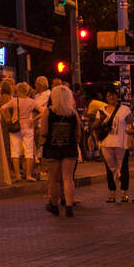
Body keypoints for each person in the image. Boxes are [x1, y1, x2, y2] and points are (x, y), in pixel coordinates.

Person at [39, 85, 82, 216]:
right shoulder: (73, 113)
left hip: (53, 148)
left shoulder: (49, 112)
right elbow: (78, 134)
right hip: (69, 148)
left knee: (54, 179)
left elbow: (44, 132)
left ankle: (54, 204)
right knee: (68, 178)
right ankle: (69, 206)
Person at [94, 88, 131, 203]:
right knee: (110, 168)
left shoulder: (125, 109)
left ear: (117, 96)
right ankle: (112, 193)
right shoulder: (101, 111)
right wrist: (96, 140)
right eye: (109, 95)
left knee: (123, 167)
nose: (112, 97)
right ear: (106, 97)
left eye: (114, 95)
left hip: (121, 142)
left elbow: (130, 124)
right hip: (106, 143)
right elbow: (96, 127)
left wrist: (130, 140)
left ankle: (124, 192)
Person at [1, 82, 40, 183]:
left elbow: (2, 108)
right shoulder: (32, 102)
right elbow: (43, 111)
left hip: (16, 127)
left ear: (18, 90)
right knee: (29, 151)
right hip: (28, 127)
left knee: (15, 151)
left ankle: (18, 175)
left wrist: (7, 119)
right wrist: (34, 119)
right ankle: (28, 175)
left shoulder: (14, 101)